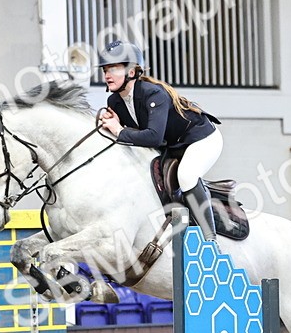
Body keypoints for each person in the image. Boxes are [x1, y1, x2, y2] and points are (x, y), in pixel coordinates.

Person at [96, 40, 224, 239]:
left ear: (131, 72)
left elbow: (154, 137)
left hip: (201, 139)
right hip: (172, 146)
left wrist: (120, 131)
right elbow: (136, 134)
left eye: (113, 68)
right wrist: (113, 128)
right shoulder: (114, 101)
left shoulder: (153, 93)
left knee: (187, 176)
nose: (107, 75)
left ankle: (210, 240)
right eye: (105, 70)